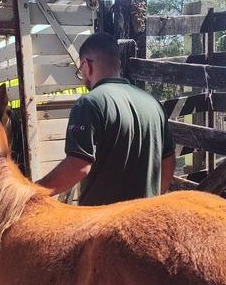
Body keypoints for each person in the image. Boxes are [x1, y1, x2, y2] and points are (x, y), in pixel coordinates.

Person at [36, 33, 175, 206]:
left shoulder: (89, 103)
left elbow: (78, 166)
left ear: (86, 65)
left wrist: (33, 192)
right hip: (144, 221)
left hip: (103, 225)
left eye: (80, 70)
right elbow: (167, 166)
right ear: (117, 63)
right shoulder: (154, 105)